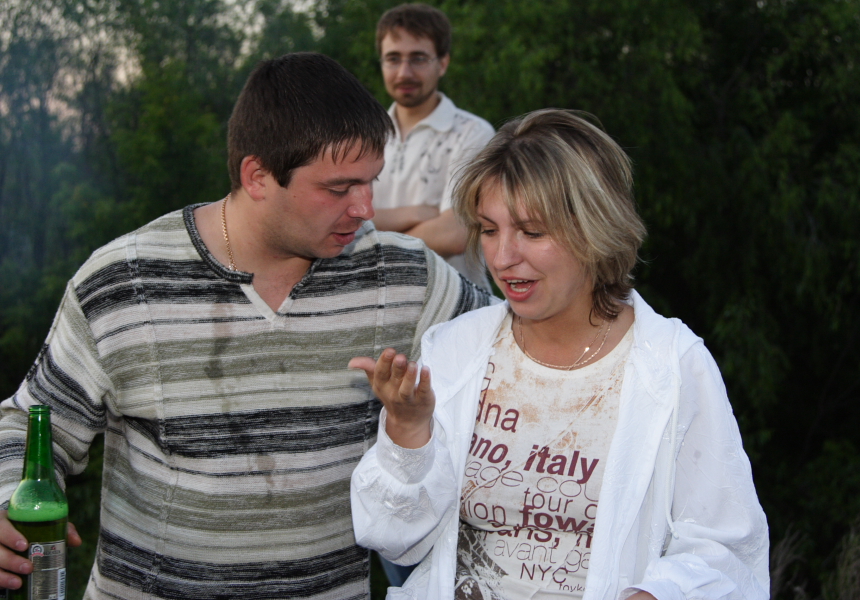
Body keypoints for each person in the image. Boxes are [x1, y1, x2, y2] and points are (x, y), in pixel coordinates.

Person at [0, 52, 494, 599]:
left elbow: (520, 350)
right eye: (339, 189)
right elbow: (31, 423)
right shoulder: (123, 282)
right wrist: (3, 500)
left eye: (370, 182)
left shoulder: (405, 276)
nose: (365, 208)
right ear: (257, 176)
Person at [349, 109, 770, 599]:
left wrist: (659, 594)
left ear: (595, 228)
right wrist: (406, 434)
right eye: (489, 230)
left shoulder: (673, 366)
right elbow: (393, 539)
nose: (503, 257)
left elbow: (727, 549)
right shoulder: (455, 350)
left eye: (531, 232)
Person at [372, 3, 495, 290]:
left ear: (443, 63)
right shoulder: (363, 137)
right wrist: (412, 213)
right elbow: (336, 220)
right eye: (393, 59)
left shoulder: (472, 133)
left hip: (460, 305)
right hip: (379, 306)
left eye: (418, 58)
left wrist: (365, 244)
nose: (404, 72)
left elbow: (455, 233)